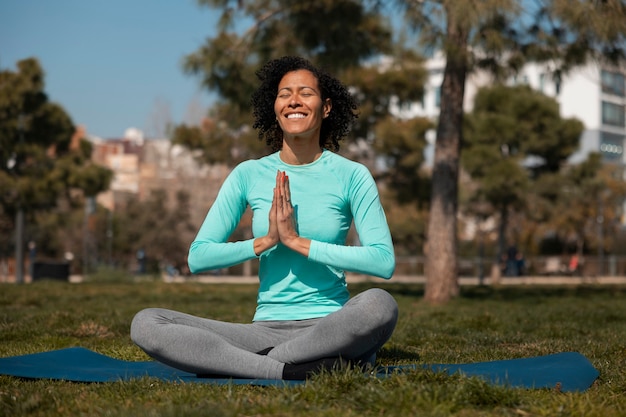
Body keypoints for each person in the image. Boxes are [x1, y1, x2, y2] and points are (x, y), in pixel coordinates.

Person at [130, 56, 398, 381]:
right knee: (146, 322)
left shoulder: (352, 175)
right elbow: (198, 257)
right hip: (264, 331)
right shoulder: (249, 174)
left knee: (379, 305)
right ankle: (290, 369)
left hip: (331, 324)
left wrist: (299, 243)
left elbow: (383, 262)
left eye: (305, 93)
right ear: (274, 107)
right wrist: (265, 242)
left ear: (326, 107)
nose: (294, 100)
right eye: (284, 93)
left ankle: (260, 363)